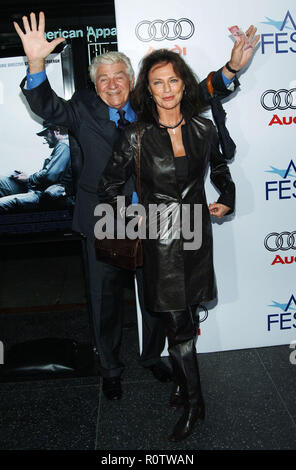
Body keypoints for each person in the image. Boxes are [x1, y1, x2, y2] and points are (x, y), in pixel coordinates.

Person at [13, 11, 258, 401]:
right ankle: (110, 368)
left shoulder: (148, 109)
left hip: (155, 221)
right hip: (105, 219)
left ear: (132, 81)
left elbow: (197, 92)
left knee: (159, 298)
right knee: (104, 300)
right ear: (95, 86)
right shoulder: (80, 110)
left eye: (119, 77)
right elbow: (45, 105)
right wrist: (36, 62)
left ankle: (150, 357)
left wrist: (231, 68)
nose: (112, 85)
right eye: (103, 79)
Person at [98, 49, 236, 442]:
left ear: (183, 84)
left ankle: (178, 384)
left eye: (172, 80)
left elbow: (222, 169)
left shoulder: (202, 129)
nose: (166, 89)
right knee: (177, 324)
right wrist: (131, 215)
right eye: (157, 83)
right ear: (149, 91)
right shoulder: (135, 136)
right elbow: (107, 188)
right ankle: (196, 404)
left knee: (186, 318)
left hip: (195, 232)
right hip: (160, 237)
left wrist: (227, 196)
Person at [0, 121, 71, 212]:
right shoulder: (63, 146)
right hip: (36, 188)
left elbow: (50, 176)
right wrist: (27, 178)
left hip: (41, 194)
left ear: (57, 131)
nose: (44, 137)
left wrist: (29, 179)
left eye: (46, 133)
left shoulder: (64, 145)